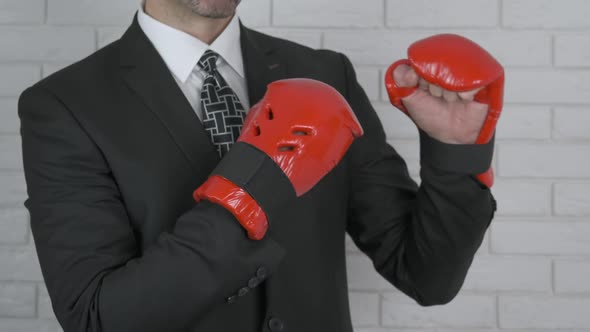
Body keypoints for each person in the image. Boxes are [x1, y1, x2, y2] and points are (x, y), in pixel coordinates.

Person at [18, 0, 497, 331]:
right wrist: (248, 193)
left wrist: (454, 152)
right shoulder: (65, 105)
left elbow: (425, 275)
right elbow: (98, 318)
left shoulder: (326, 75)